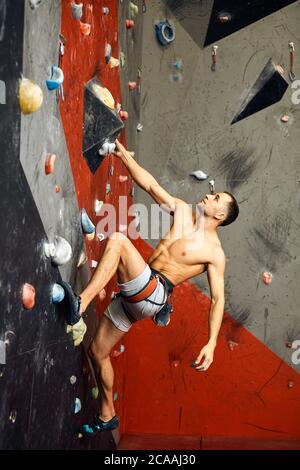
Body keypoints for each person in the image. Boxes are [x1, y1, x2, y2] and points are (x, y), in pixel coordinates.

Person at [59, 139, 239, 437]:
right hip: (139, 292)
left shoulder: (214, 253)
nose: (210, 194)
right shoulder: (183, 212)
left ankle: (79, 304)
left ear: (220, 215)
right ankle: (108, 414)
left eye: (216, 196)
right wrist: (122, 155)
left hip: (154, 292)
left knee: (117, 241)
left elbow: (218, 299)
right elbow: (152, 185)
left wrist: (212, 342)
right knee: (97, 352)